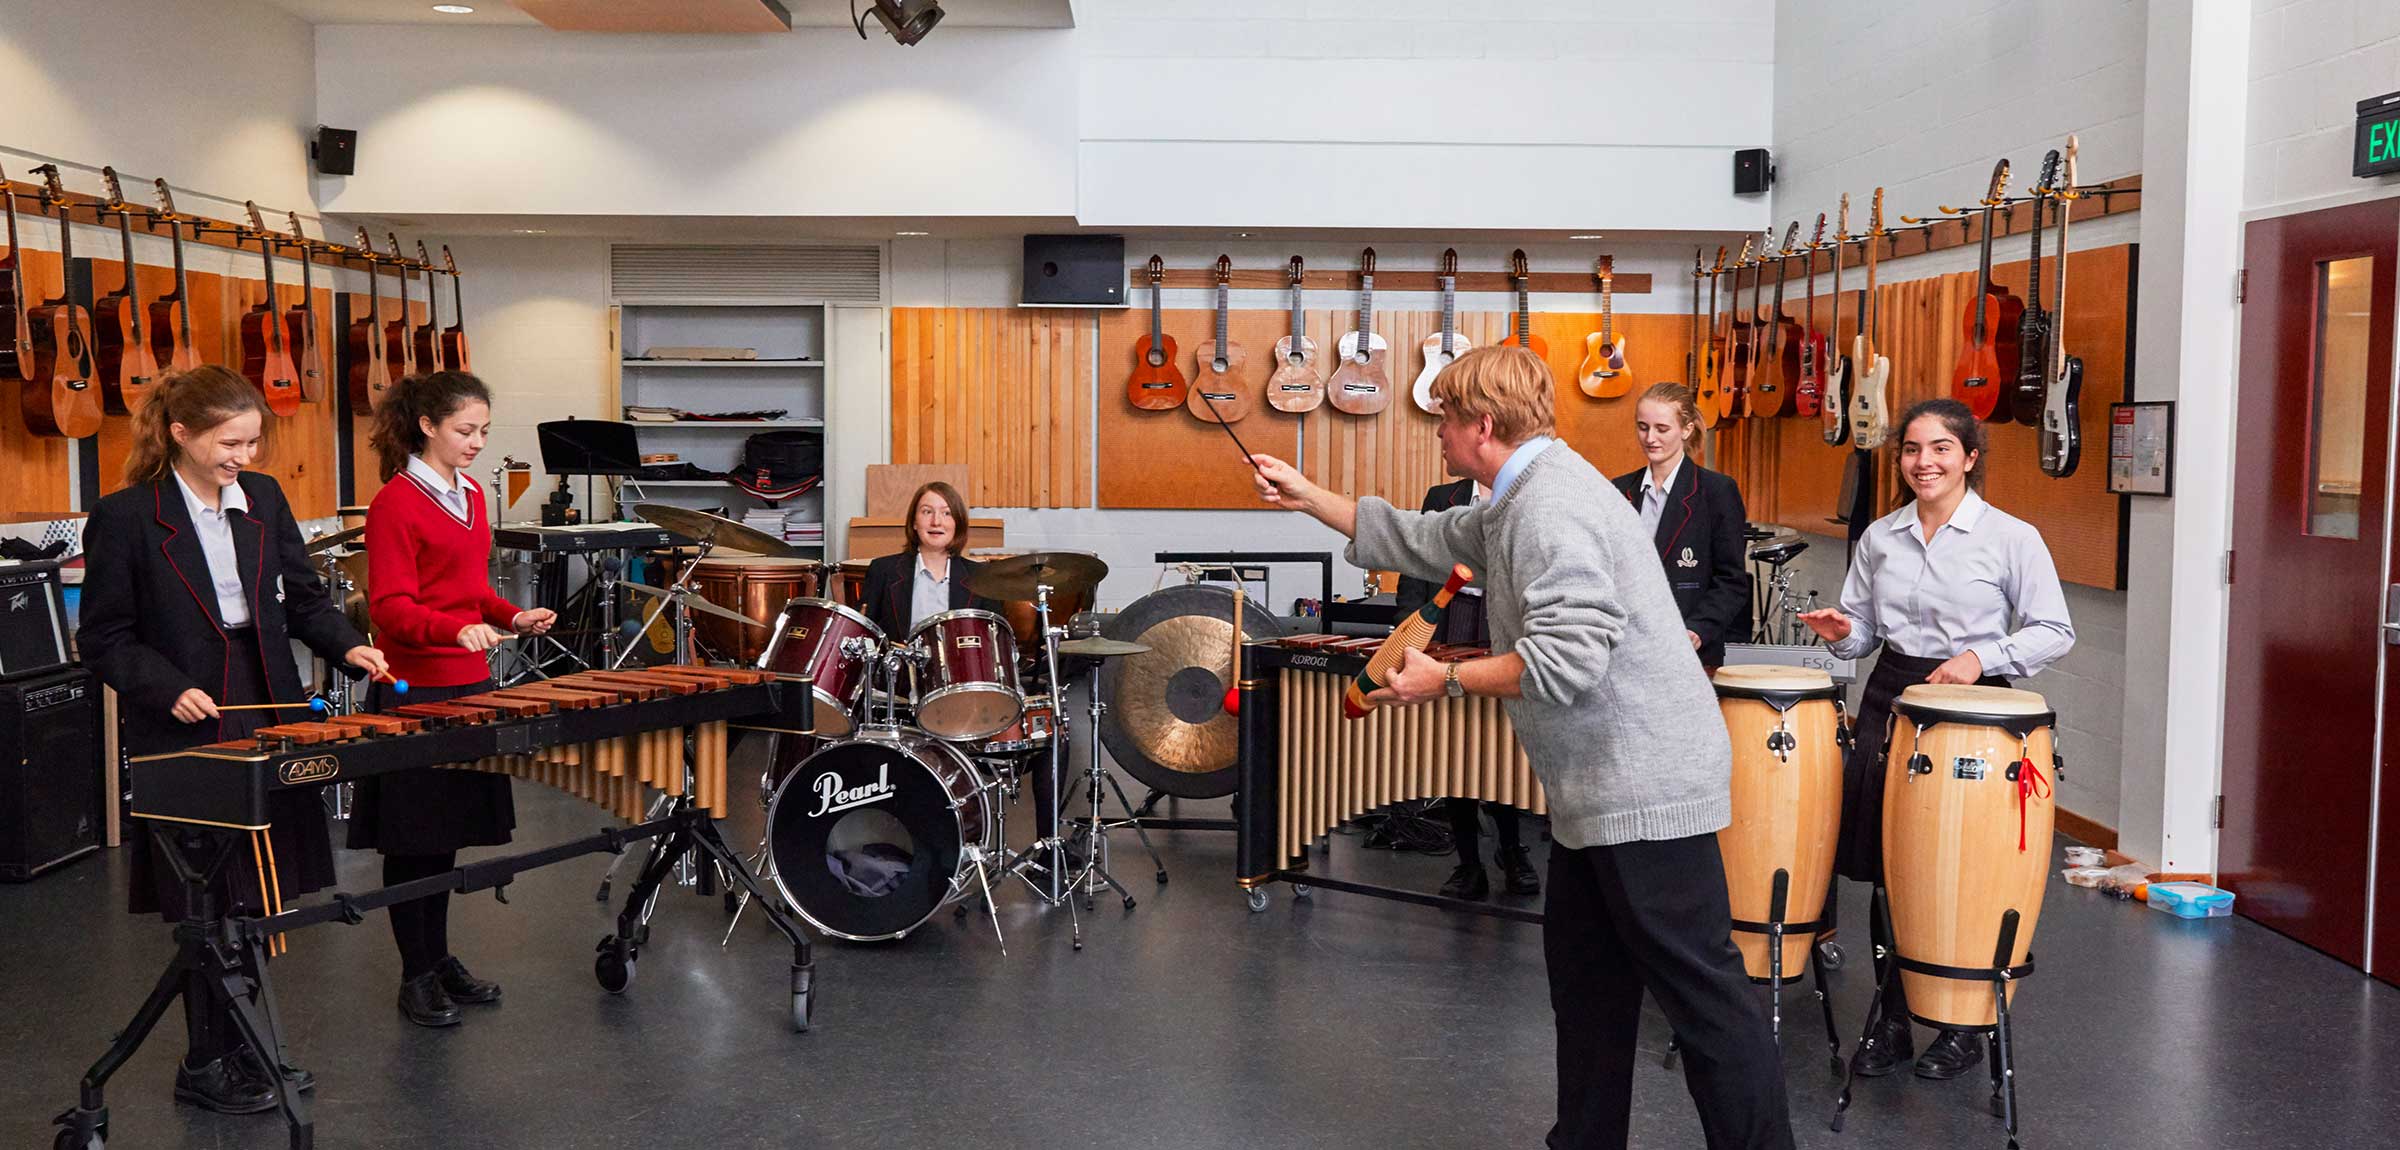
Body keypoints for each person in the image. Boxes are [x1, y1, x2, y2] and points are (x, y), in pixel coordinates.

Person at [1248, 346, 1793, 1150]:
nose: (1435, 433)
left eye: (1443, 420)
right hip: (1592, 793)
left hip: (1643, 786)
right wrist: (1307, 497)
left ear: (1483, 425)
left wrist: (1451, 683)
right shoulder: (1522, 492)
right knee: (1588, 988)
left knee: (1706, 1003)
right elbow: (1424, 536)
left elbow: (1572, 655)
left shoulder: (1550, 506)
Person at [79, 365, 389, 1113]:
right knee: (206, 892)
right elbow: (105, 636)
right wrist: (163, 687)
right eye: (230, 441)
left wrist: (349, 645)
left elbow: (303, 598)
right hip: (187, 710)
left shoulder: (266, 501)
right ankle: (205, 1061)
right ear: (180, 433)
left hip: (264, 696)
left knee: (257, 888)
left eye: (252, 442)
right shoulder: (127, 517)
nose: (243, 456)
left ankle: (247, 1043)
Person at [1798, 397, 2074, 1081]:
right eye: (1914, 450)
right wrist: (1845, 634)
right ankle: (1890, 1021)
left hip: (1974, 707)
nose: (1925, 462)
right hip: (1892, 694)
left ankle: (1961, 1027)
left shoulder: (2011, 537)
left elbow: (2053, 629)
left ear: (1970, 457)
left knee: (1962, 870)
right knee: (1893, 870)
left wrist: (1983, 659)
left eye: (1941, 449)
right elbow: (1864, 630)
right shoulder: (1880, 537)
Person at [359, 371, 556, 1029]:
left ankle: (437, 957)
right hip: (416, 686)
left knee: (444, 838)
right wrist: (454, 628)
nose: (476, 443)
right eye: (465, 431)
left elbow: (471, 590)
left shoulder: (471, 494)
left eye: (483, 432)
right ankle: (414, 974)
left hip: (472, 681)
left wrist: (512, 614)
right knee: (412, 837)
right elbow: (389, 607)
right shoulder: (394, 503)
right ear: (427, 426)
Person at [1394, 476, 1539, 901]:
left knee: (1501, 749)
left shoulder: (1522, 495)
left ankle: (1512, 851)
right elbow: (1413, 567)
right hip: (1451, 620)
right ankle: (1468, 863)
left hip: (1502, 626)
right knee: (1456, 748)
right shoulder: (1443, 497)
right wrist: (1410, 634)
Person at [1609, 381, 1752, 671]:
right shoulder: (1618, 489)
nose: (1650, 438)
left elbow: (1732, 581)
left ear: (1686, 429)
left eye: (1662, 429)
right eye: (1643, 427)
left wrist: (1697, 631)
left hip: (1692, 656)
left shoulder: (1717, 491)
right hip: (1626, 651)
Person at [858, 480, 1003, 640]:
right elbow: (865, 638)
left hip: (959, 664)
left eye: (946, 513)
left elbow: (996, 643)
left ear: (958, 523)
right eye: (927, 512)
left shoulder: (983, 577)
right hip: (902, 664)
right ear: (914, 522)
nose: (936, 522)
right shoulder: (882, 570)